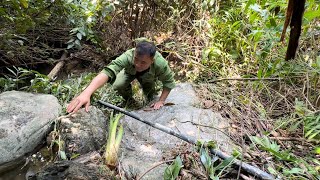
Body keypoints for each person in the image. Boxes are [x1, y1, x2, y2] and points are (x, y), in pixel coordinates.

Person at [67, 40, 175, 113]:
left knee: (151, 95)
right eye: (136, 59)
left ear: (152, 61)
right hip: (129, 73)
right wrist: (86, 93)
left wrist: (161, 101)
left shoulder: (160, 63)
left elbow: (168, 82)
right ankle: (130, 100)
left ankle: (149, 96)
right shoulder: (128, 56)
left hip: (149, 77)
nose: (138, 64)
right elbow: (108, 71)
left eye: (143, 62)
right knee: (118, 85)